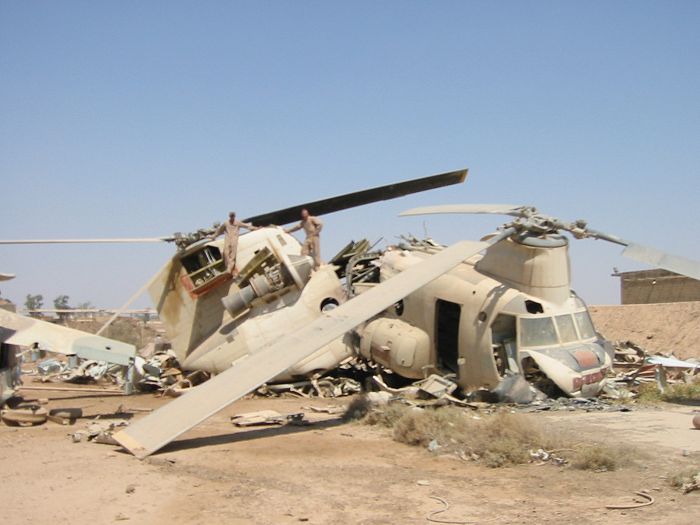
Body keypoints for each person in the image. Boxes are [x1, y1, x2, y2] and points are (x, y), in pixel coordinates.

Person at [210, 211, 259, 277]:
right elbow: (219, 231)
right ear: (229, 217)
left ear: (234, 216)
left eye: (233, 216)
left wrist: (256, 228)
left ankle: (229, 270)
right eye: (231, 216)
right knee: (226, 253)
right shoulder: (225, 223)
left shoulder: (237, 223)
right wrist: (213, 236)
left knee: (232, 256)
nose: (232, 217)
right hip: (227, 240)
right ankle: (228, 268)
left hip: (234, 240)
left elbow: (247, 226)